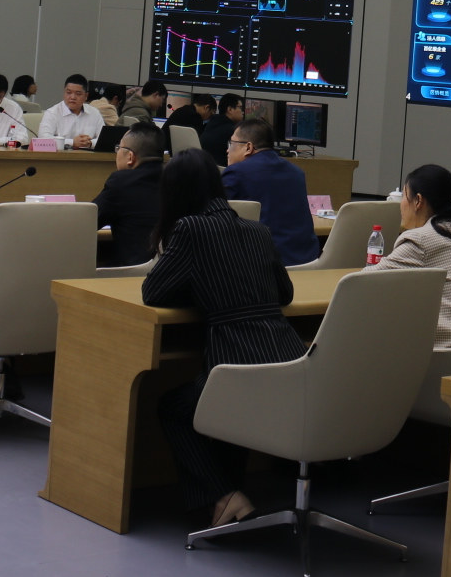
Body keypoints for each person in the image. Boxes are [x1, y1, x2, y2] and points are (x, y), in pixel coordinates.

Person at [144, 148, 307, 528]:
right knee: (224, 411)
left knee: (173, 408)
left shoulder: (190, 229)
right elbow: (284, 294)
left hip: (237, 364)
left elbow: (153, 292)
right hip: (288, 363)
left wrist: (202, 290)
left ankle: (224, 495)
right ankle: (226, 501)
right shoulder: (258, 230)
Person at [366, 164, 451, 348]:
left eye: (404, 196)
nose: (401, 204)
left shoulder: (420, 240)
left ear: (418, 201)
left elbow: (363, 282)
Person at [220, 118, 318, 265]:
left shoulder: (235, 173)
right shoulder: (297, 173)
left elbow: (216, 219)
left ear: (248, 147)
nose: (228, 150)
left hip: (262, 263)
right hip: (307, 260)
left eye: (232, 143)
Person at [94, 123, 167, 267]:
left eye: (118, 148)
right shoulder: (174, 179)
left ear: (130, 157)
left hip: (129, 271)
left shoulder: (120, 182)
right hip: (169, 271)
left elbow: (88, 221)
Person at [38, 74, 104, 149]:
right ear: (64, 92)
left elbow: (105, 139)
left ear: (86, 96)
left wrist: (90, 143)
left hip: (87, 155)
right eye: (68, 93)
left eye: (78, 94)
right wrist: (72, 142)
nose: (72, 97)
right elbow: (43, 139)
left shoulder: (94, 113)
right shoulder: (52, 113)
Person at [201, 93, 245, 165]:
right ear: (230, 109)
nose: (243, 112)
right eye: (240, 108)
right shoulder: (233, 132)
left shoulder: (209, 126)